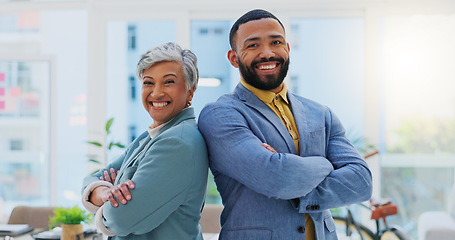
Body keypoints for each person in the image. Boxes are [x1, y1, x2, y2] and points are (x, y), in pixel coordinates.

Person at [198, 9, 373, 240]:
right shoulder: (221, 114)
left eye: (276, 42)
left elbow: (361, 181)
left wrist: (294, 180)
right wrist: (325, 164)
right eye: (252, 45)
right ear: (233, 58)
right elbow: (275, 178)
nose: (267, 53)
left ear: (287, 49)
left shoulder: (320, 114)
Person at [81, 42, 208, 240]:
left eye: (168, 82)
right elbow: (92, 179)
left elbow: (120, 218)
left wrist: (101, 202)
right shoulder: (150, 136)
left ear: (190, 91)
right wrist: (105, 192)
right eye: (148, 82)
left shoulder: (177, 143)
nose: (156, 93)